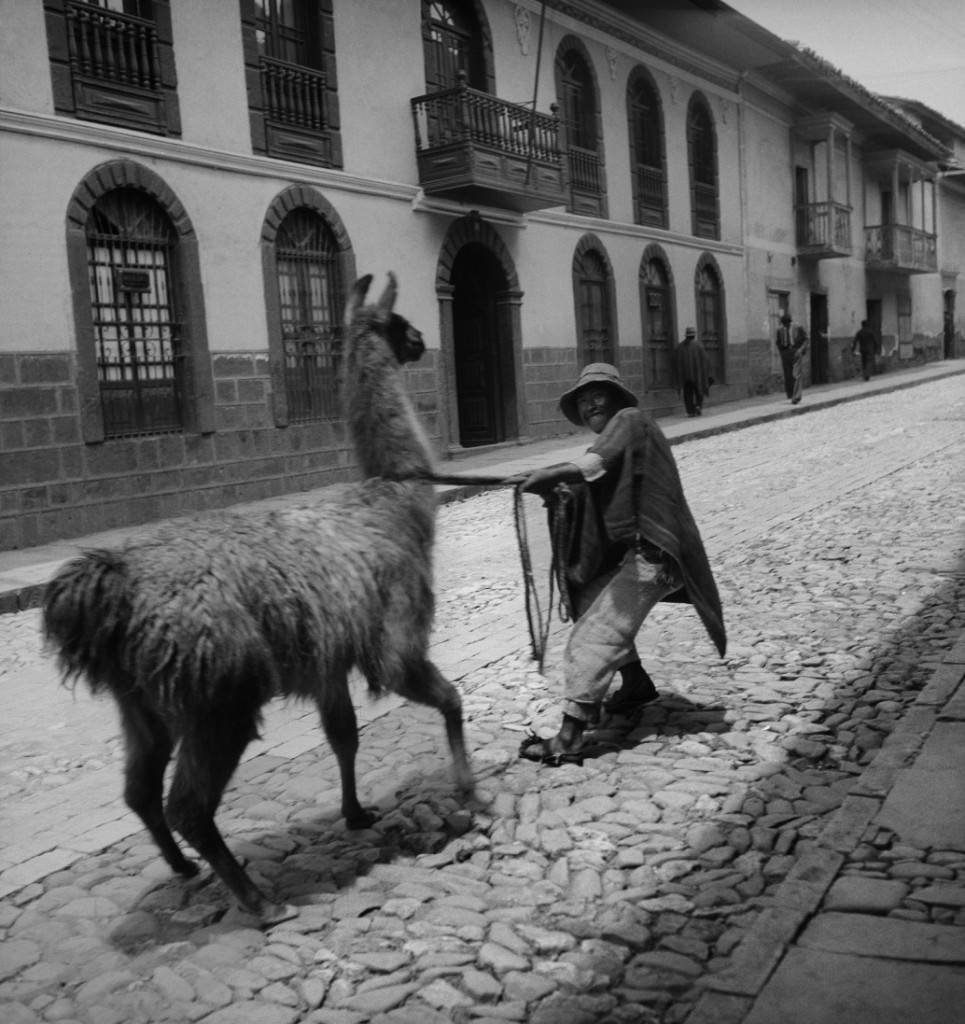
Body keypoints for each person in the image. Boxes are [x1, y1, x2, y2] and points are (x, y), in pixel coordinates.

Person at [517, 363, 726, 764]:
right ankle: (635, 683)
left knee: (593, 635)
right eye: (582, 397)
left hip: (656, 555)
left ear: (616, 399)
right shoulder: (619, 439)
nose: (590, 402)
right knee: (585, 600)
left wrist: (550, 475)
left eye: (598, 393)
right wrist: (560, 493)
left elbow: (592, 467)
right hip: (640, 555)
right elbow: (588, 490)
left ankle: (570, 736)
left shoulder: (630, 421)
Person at [673, 327, 712, 417]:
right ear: (694, 335)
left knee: (687, 393)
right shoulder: (699, 346)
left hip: (684, 376)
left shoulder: (679, 347)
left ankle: (690, 411)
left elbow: (675, 361)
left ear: (686, 336)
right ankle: (698, 405)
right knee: (699, 390)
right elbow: (705, 359)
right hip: (697, 374)